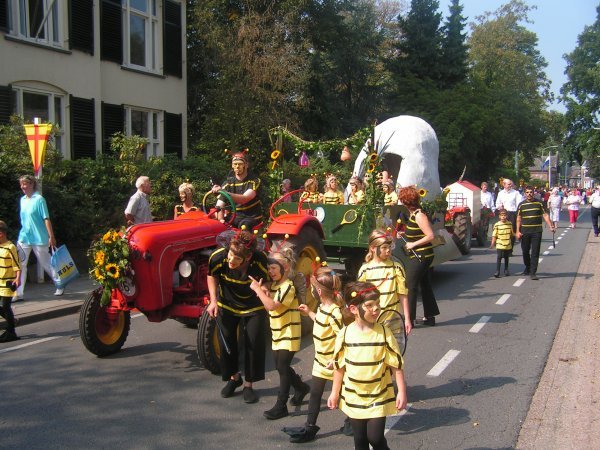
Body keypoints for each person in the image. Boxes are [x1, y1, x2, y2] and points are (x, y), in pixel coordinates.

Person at [327, 281, 407, 450]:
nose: (376, 309)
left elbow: (396, 365)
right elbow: (339, 367)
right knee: (360, 440)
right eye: (369, 305)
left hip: (378, 395)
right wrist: (334, 393)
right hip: (354, 396)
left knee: (376, 439)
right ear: (354, 309)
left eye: (377, 304)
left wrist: (401, 391)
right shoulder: (345, 334)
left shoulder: (384, 333)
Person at [283, 266, 344, 443]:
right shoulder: (323, 307)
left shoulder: (335, 312)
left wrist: (336, 359)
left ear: (319, 291)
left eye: (313, 287)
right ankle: (310, 427)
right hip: (320, 361)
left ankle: (353, 421)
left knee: (345, 394)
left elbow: (343, 337)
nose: (311, 290)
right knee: (315, 394)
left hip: (335, 363)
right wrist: (310, 312)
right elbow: (321, 321)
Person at [207, 230, 268, 403]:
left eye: (236, 259)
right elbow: (212, 276)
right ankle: (234, 378)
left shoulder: (260, 260)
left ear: (248, 257)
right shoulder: (218, 257)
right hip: (227, 303)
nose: (231, 261)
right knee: (226, 341)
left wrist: (265, 289)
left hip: (253, 305)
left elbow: (267, 281)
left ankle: (248, 385)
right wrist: (213, 300)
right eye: (230, 255)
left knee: (253, 343)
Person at [249, 248, 309, 420]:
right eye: (269, 268)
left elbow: (271, 306)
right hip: (278, 331)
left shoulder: (288, 287)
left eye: (274, 268)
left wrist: (258, 290)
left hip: (289, 332)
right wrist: (265, 291)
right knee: (281, 366)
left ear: (286, 268)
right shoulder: (276, 285)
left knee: (282, 367)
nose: (271, 271)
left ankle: (281, 406)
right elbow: (271, 304)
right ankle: (301, 388)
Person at [15, 174, 62, 300]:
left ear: (32, 184)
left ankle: (60, 283)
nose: (22, 187)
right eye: (21, 184)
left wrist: (51, 236)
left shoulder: (39, 199)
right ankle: (18, 293)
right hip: (24, 237)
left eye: (25, 184)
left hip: (39, 237)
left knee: (46, 263)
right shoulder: (22, 200)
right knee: (20, 264)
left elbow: (46, 218)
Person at [398, 186, 439, 327]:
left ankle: (410, 320)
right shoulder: (413, 214)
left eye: (402, 200)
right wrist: (405, 234)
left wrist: (413, 244)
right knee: (425, 284)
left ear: (406, 201)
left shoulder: (419, 215)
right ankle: (430, 317)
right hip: (421, 254)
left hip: (422, 255)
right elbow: (417, 232)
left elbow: (430, 236)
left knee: (410, 285)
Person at [358, 229, 411, 336]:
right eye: (384, 247)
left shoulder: (396, 267)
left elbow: (402, 294)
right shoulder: (365, 269)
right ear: (373, 248)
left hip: (393, 320)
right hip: (373, 320)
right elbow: (360, 298)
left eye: (389, 247)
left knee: (394, 346)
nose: (388, 250)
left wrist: (407, 318)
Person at [212, 151, 263, 229]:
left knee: (244, 226)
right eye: (235, 164)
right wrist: (221, 219)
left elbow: (244, 199)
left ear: (246, 165)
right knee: (218, 227)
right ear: (232, 165)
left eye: (240, 164)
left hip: (251, 217)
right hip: (235, 217)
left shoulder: (254, 181)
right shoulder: (227, 183)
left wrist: (224, 192)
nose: (237, 166)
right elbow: (219, 205)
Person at [516, 186, 555, 280]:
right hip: (525, 231)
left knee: (535, 252)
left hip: (536, 231)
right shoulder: (521, 205)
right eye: (527, 192)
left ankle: (533, 272)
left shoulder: (539, 203)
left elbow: (545, 215)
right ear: (525, 194)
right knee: (525, 251)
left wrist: (551, 226)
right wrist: (517, 231)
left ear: (534, 193)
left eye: (531, 192)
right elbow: (518, 218)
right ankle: (528, 266)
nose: (529, 194)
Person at [0, 220, 21, 342]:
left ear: (1, 234)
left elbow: (17, 265)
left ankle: (11, 332)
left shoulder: (10, 247)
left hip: (8, 282)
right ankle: (12, 321)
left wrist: (18, 278)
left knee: (6, 306)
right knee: (4, 308)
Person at [495, 178, 523, 247]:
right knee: (503, 230)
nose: (510, 185)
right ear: (504, 185)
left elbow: (519, 203)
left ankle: (510, 247)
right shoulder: (500, 193)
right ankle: (503, 246)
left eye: (511, 184)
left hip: (512, 214)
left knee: (511, 231)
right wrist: (500, 207)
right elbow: (497, 204)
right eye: (509, 184)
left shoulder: (515, 193)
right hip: (504, 214)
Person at [490, 209, 514, 277]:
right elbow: (494, 235)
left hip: (507, 244)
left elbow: (512, 233)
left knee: (506, 257)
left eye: (504, 215)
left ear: (507, 216)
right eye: (502, 215)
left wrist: (518, 235)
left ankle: (506, 270)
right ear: (499, 216)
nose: (503, 217)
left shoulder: (509, 224)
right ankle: (497, 271)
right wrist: (492, 244)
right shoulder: (497, 225)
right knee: (499, 257)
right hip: (500, 244)